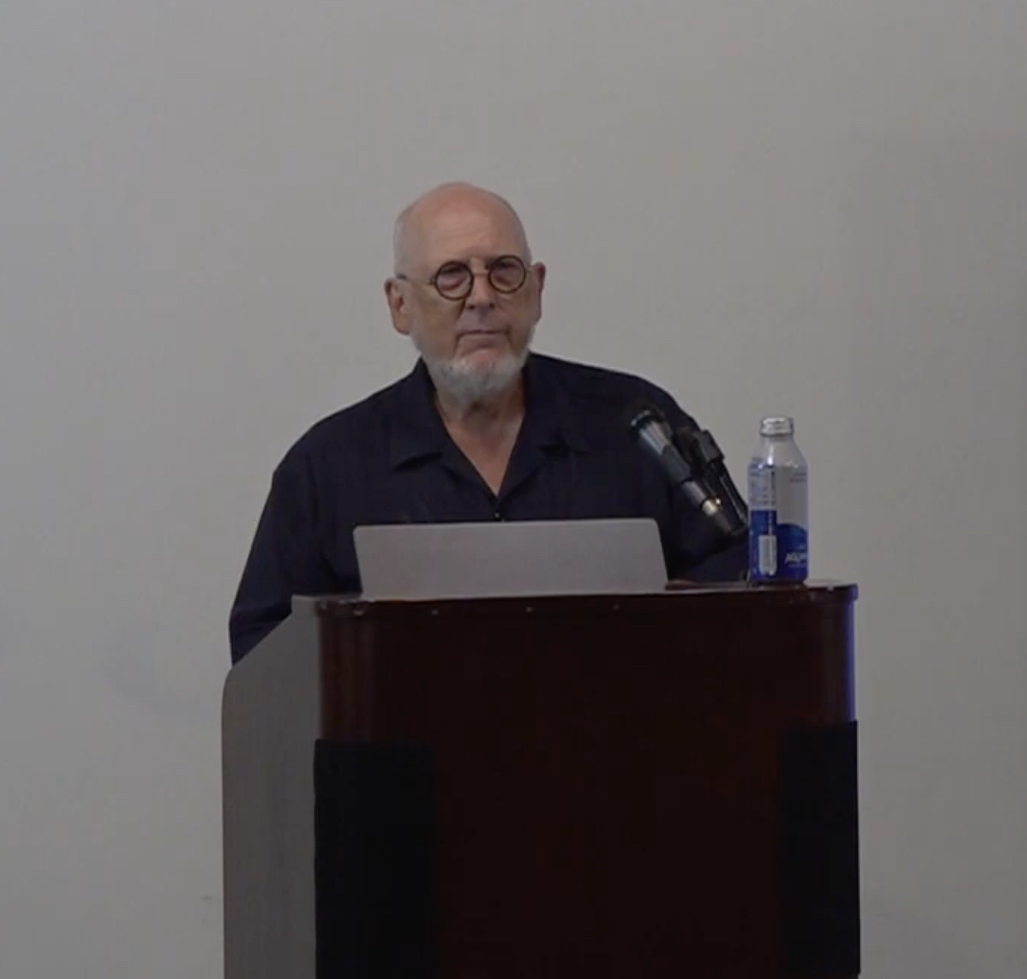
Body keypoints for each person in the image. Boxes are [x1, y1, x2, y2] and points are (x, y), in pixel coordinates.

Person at [227, 182, 744, 663]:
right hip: (405, 757)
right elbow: (264, 651)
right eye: (451, 276)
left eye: (503, 271)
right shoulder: (329, 466)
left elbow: (740, 581)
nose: (481, 297)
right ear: (399, 304)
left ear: (536, 289)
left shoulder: (637, 425)